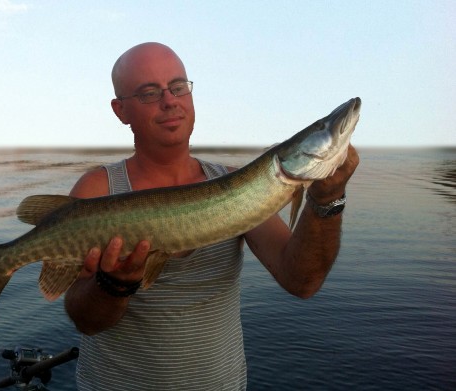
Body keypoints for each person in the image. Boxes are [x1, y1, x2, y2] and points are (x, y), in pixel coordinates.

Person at [64, 42, 359, 390]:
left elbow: (302, 282)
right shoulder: (96, 190)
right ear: (120, 110)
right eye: (148, 92)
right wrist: (113, 285)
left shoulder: (238, 185)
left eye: (177, 87)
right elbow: (85, 320)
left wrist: (326, 201)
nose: (169, 100)